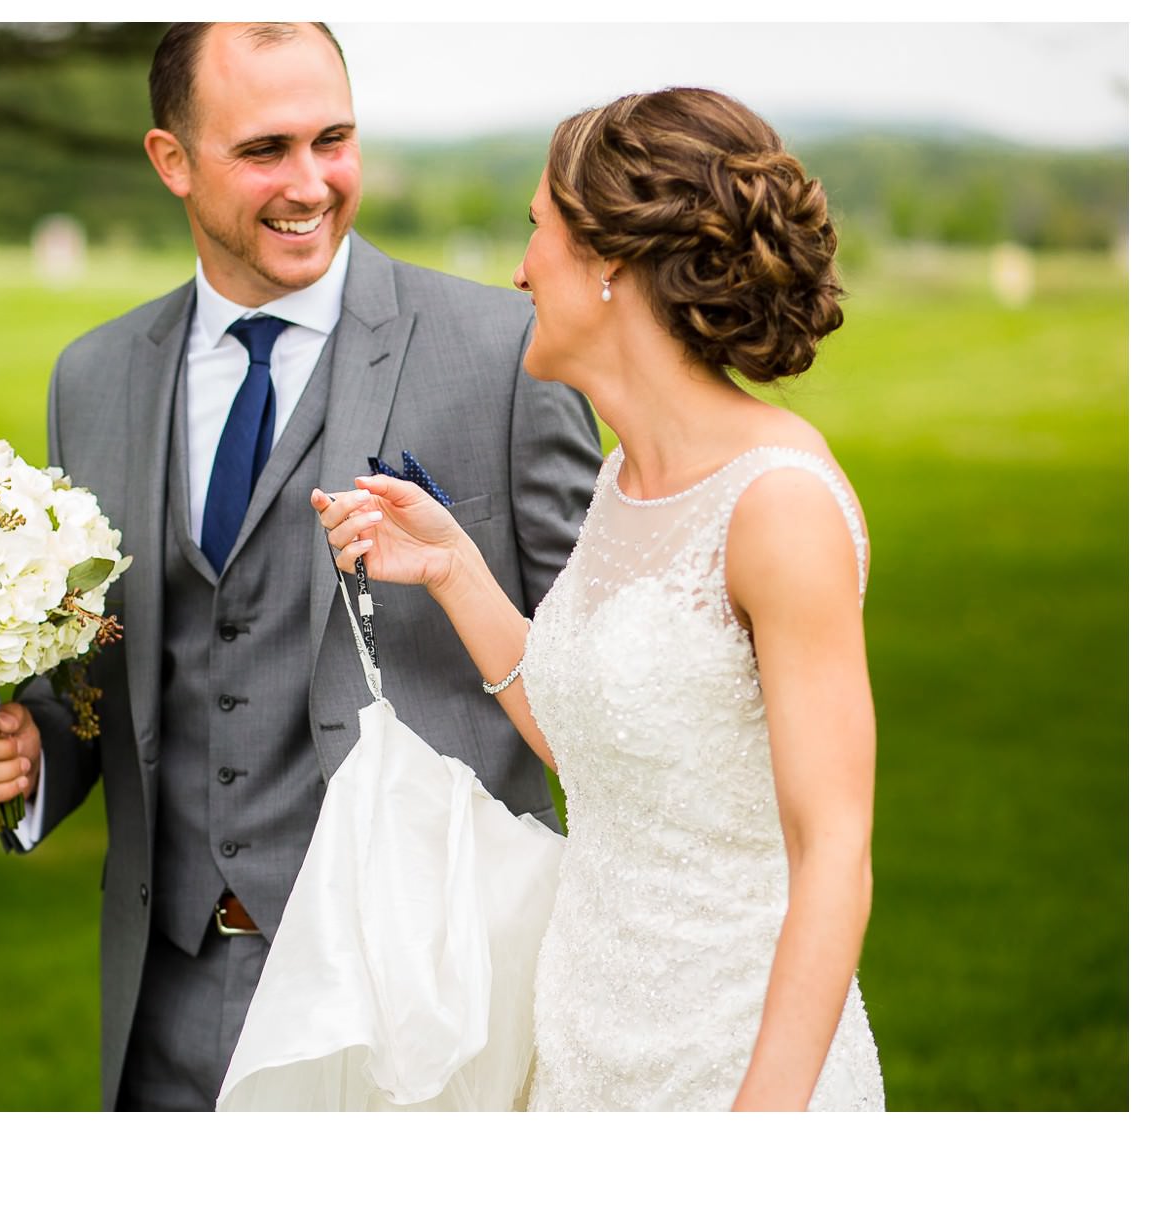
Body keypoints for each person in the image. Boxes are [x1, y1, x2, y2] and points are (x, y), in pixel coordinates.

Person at [0, 22, 602, 1111]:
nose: (311, 183)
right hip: (171, 1000)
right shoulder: (92, 379)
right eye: (263, 150)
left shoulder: (505, 353)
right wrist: (29, 757)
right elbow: (102, 678)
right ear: (170, 161)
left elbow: (604, 686)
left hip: (421, 1001)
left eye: (331, 140)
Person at [314, 87, 883, 1110]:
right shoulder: (624, 478)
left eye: (536, 230)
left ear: (611, 260)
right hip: (582, 1046)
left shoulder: (776, 504)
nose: (520, 268)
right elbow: (597, 745)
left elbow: (833, 851)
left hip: (734, 1059)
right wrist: (450, 567)